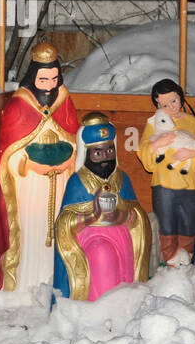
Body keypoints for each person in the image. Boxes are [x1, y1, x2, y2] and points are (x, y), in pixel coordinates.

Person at [0, 41, 80, 296]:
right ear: (33, 78)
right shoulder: (19, 106)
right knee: (32, 230)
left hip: (61, 179)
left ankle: (57, 280)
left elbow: (75, 138)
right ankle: (27, 282)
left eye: (54, 78)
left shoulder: (64, 100)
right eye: (44, 80)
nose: (51, 86)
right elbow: (7, 153)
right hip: (29, 185)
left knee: (57, 228)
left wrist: (69, 159)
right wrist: (28, 164)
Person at [52, 112, 151, 302]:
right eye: (98, 152)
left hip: (121, 235)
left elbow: (137, 215)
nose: (106, 157)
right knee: (101, 255)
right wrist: (93, 215)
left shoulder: (122, 179)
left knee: (123, 262)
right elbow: (65, 222)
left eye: (110, 151)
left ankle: (123, 307)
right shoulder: (78, 182)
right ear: (87, 154)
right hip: (89, 237)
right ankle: (98, 310)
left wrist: (121, 212)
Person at [138, 78, 195, 267]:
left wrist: (193, 153)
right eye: (164, 104)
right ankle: (169, 260)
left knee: (189, 222)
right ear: (158, 105)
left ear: (180, 99)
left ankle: (186, 256)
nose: (170, 106)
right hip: (164, 184)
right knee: (166, 223)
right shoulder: (154, 124)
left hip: (190, 184)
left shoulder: (192, 122)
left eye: (173, 101)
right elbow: (145, 155)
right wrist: (156, 144)